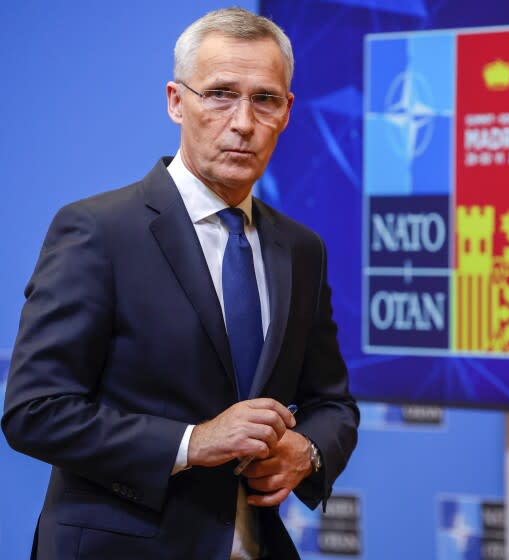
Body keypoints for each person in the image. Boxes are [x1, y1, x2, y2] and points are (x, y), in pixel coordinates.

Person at [1, 7, 358, 560]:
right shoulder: (98, 230)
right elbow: (36, 410)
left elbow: (332, 402)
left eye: (264, 99)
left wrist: (306, 452)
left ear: (286, 112)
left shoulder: (301, 249)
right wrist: (195, 442)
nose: (242, 122)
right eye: (219, 94)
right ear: (176, 101)